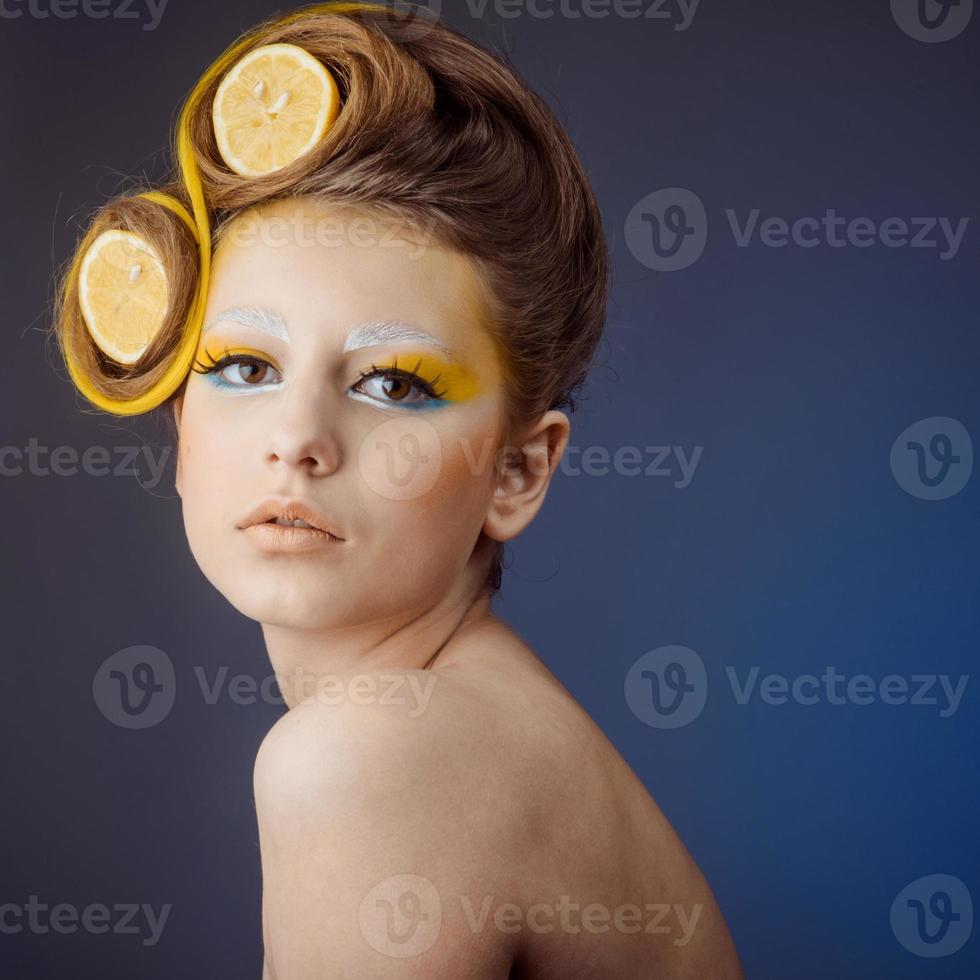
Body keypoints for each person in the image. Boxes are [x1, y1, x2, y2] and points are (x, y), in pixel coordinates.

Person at [53, 3, 744, 976]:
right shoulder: (471, 715)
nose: (296, 439)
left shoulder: (370, 756)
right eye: (245, 365)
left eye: (391, 384)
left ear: (518, 470)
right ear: (177, 423)